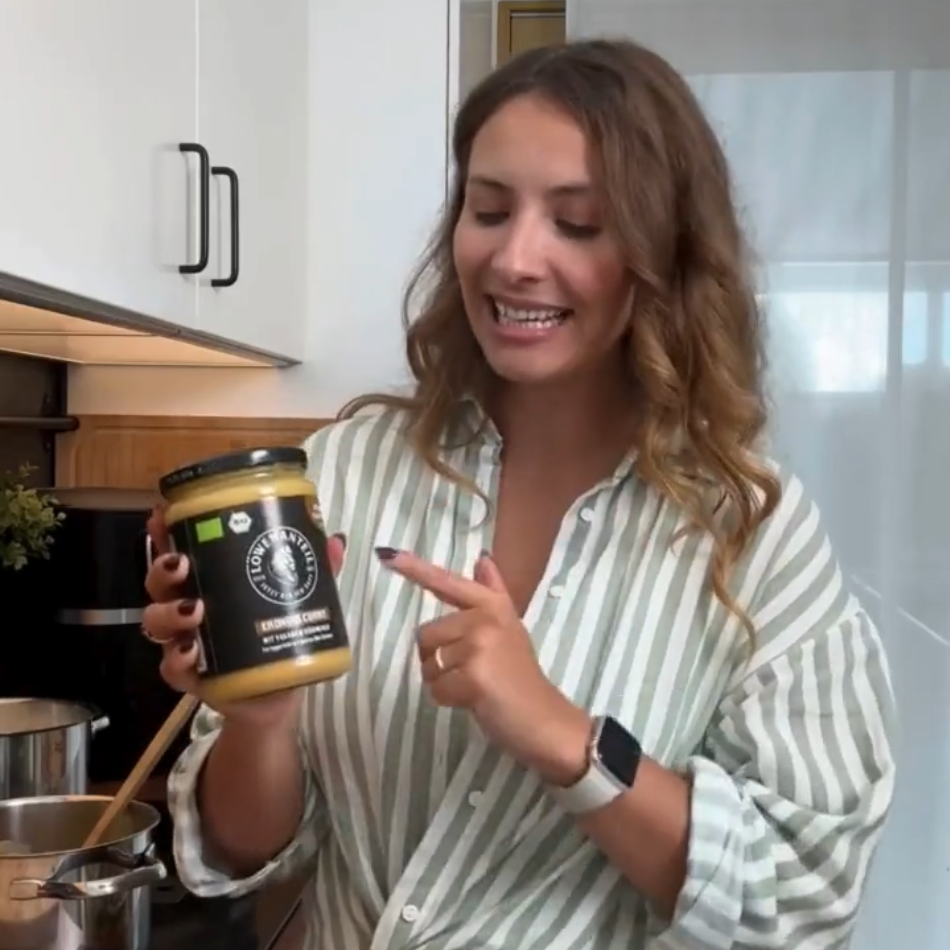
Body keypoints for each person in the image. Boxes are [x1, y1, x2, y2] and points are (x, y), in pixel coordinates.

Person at [143, 38, 896, 950]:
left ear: (666, 256)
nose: (513, 260)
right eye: (489, 210)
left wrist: (564, 738)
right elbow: (237, 850)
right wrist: (263, 718)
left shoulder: (755, 535)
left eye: (577, 224)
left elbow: (805, 897)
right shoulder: (340, 474)